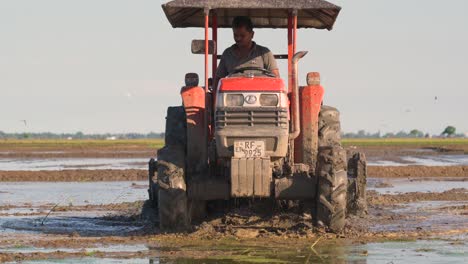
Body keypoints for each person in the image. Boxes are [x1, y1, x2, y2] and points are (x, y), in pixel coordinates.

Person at [216, 16, 279, 83]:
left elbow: (276, 78)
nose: (238, 39)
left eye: (242, 36)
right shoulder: (227, 54)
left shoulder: (264, 53)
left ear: (252, 34)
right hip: (234, 92)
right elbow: (218, 80)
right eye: (235, 35)